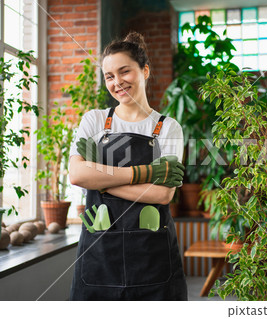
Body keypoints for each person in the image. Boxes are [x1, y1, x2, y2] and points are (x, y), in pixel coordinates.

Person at [68, 32, 188, 301]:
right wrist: (144, 174)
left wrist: (101, 182)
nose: (117, 82)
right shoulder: (95, 121)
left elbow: (162, 194)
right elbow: (77, 174)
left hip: (151, 254)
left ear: (145, 71)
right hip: (100, 253)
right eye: (109, 76)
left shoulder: (168, 128)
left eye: (125, 72)